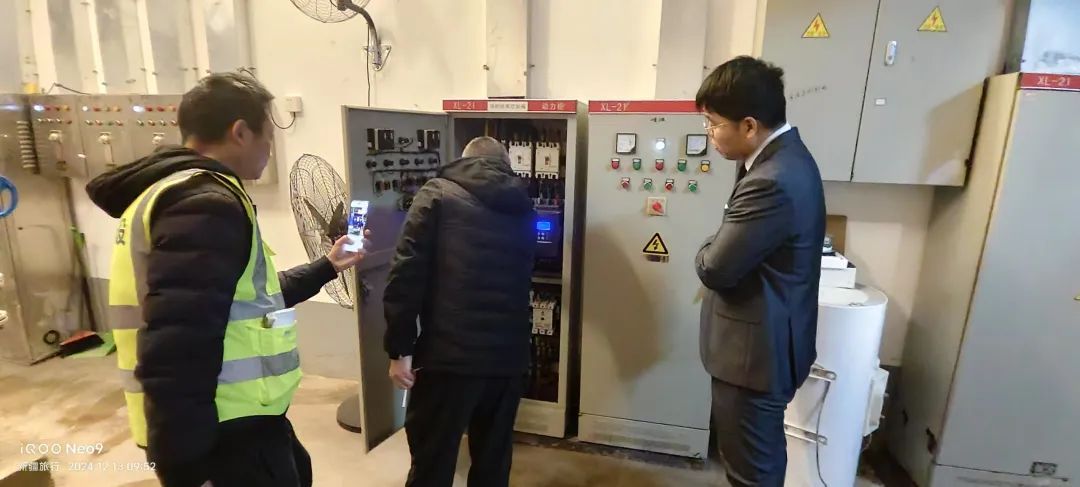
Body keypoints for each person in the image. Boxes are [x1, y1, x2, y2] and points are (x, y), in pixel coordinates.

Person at [86, 72, 366, 487]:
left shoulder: (177, 194)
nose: (270, 149)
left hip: (242, 422)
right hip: (222, 433)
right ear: (240, 133)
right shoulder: (204, 205)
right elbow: (179, 344)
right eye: (268, 137)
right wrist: (187, 466)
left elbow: (247, 298)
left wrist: (328, 265)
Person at [693, 56, 826, 486]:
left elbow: (715, 268)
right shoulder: (787, 161)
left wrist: (706, 246)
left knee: (752, 473)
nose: (709, 133)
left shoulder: (772, 179)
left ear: (749, 126)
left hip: (753, 359)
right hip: (766, 347)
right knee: (756, 463)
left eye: (713, 123)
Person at [383, 136, 535, 487]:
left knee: (433, 462)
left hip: (449, 360)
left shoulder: (437, 194)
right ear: (505, 165)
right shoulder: (523, 204)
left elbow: (405, 275)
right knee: (492, 463)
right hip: (507, 360)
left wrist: (400, 350)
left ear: (464, 159)